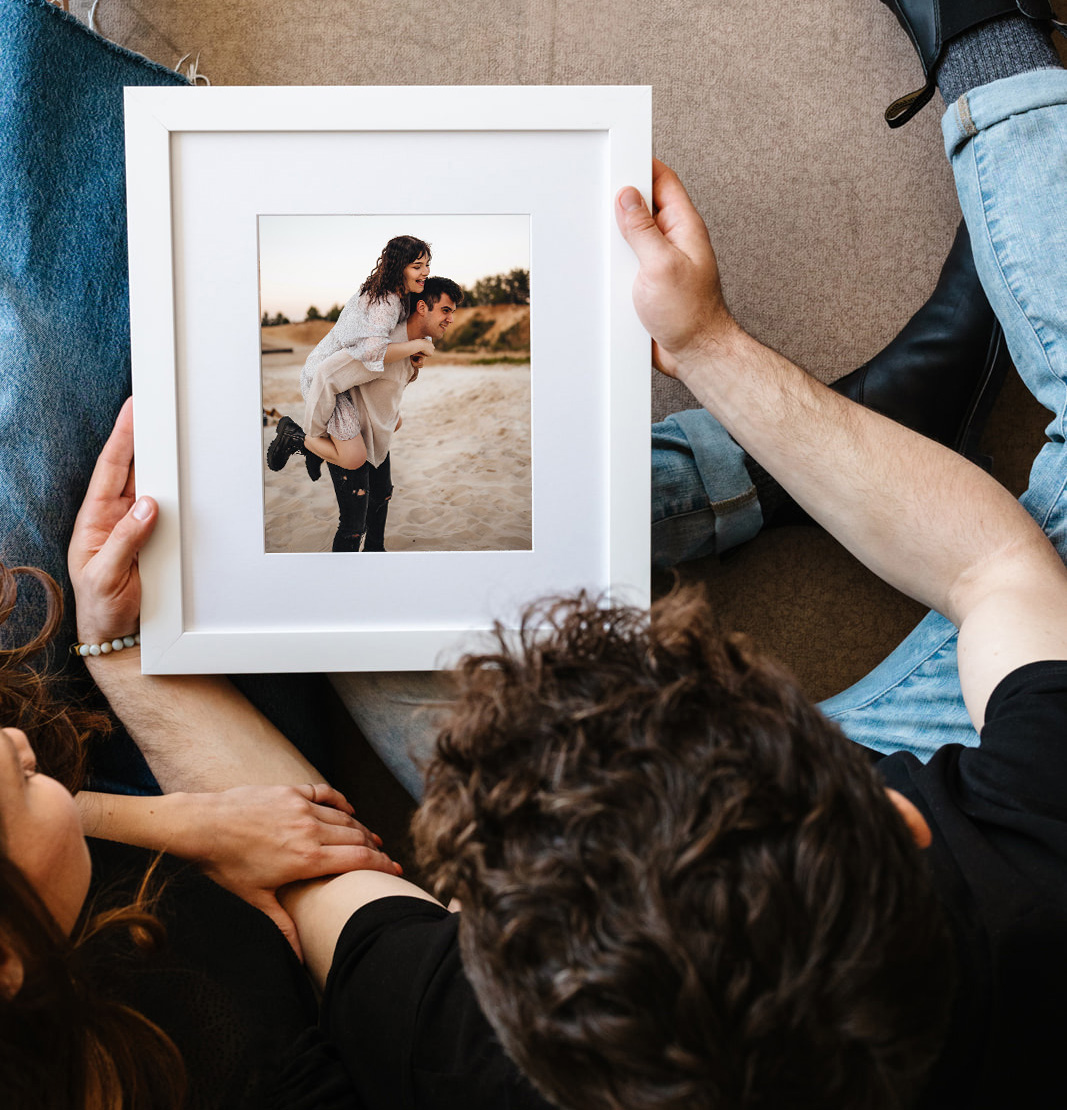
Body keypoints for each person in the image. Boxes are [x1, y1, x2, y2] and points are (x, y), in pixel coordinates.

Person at [80, 11, 1067, 1110]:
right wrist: (708, 346)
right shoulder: (1031, 862)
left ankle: (786, 462)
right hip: (956, 836)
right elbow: (999, 569)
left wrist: (122, 646)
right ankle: (982, 44)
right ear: (900, 813)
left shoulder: (469, 1042)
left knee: (352, 599)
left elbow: (321, 863)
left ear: (493, 987)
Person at [270, 276, 462, 552]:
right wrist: (317, 431)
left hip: (374, 427)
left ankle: (376, 554)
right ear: (422, 307)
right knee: (353, 524)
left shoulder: (417, 342)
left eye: (453, 312)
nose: (451, 319)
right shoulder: (381, 347)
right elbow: (327, 376)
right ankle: (298, 438)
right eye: (446, 310)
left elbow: (392, 383)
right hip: (348, 427)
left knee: (382, 494)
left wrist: (396, 407)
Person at [268, 234, 434, 477]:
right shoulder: (384, 301)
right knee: (353, 458)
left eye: (427, 264)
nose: (425, 272)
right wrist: (416, 345)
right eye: (417, 266)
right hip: (327, 378)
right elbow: (373, 351)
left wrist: (419, 347)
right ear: (399, 267)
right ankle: (297, 437)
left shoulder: (401, 296)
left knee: (392, 423)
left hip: (352, 380)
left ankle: (321, 450)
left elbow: (403, 332)